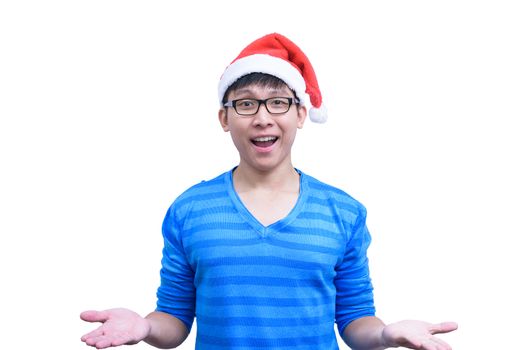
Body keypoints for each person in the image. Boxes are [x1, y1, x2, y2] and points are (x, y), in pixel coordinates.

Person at [80, 33, 458, 350]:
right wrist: (145, 327)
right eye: (246, 104)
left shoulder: (344, 212)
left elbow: (354, 318)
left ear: (300, 114)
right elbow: (175, 319)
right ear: (224, 118)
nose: (263, 117)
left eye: (278, 102)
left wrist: (386, 333)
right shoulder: (190, 209)